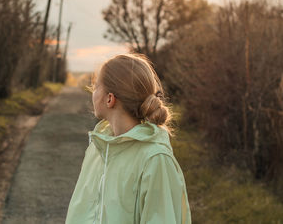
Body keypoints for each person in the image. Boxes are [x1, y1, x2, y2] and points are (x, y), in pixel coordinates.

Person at [65, 53, 191, 224]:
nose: (92, 93)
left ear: (110, 99)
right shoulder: (98, 148)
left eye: (96, 87)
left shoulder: (155, 159)